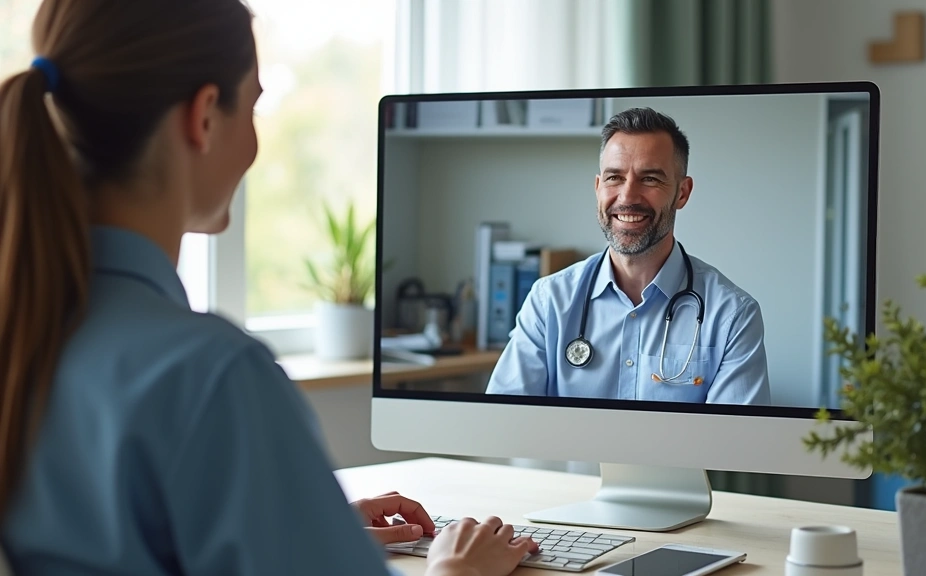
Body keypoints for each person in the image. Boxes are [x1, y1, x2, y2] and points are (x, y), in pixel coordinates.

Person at [0, 1, 536, 574]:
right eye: (252, 105)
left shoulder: (26, 332)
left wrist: (300, 526)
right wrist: (458, 570)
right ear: (203, 116)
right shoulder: (210, 375)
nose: (254, 143)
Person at [486, 107, 771, 405]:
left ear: (682, 193)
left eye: (650, 179)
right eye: (614, 178)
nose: (627, 197)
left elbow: (730, 446)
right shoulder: (549, 302)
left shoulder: (732, 316)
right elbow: (506, 424)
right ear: (598, 188)